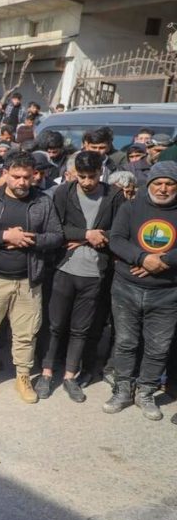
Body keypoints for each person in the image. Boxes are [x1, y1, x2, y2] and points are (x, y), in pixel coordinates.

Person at [0, 152, 64, 403]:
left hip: (28, 280)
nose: (22, 182)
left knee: (26, 333)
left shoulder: (42, 201)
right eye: (16, 176)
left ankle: (23, 376)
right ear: (5, 174)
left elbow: (56, 236)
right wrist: (5, 237)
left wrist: (31, 240)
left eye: (27, 177)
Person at [37, 151, 124, 402]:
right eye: (82, 176)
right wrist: (86, 234)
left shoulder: (114, 195)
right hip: (64, 269)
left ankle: (70, 376)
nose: (86, 182)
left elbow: (120, 231)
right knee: (55, 325)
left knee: (80, 328)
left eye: (92, 176)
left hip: (95, 273)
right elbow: (55, 227)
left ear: (101, 172)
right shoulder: (64, 192)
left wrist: (98, 236)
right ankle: (46, 373)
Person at [103, 161, 177, 421]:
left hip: (167, 293)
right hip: (127, 287)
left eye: (169, 184)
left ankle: (145, 392)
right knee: (125, 342)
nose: (163, 189)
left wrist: (164, 261)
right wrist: (142, 258)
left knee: (158, 347)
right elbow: (116, 239)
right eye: (158, 183)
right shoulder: (131, 207)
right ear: (149, 184)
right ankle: (122, 389)